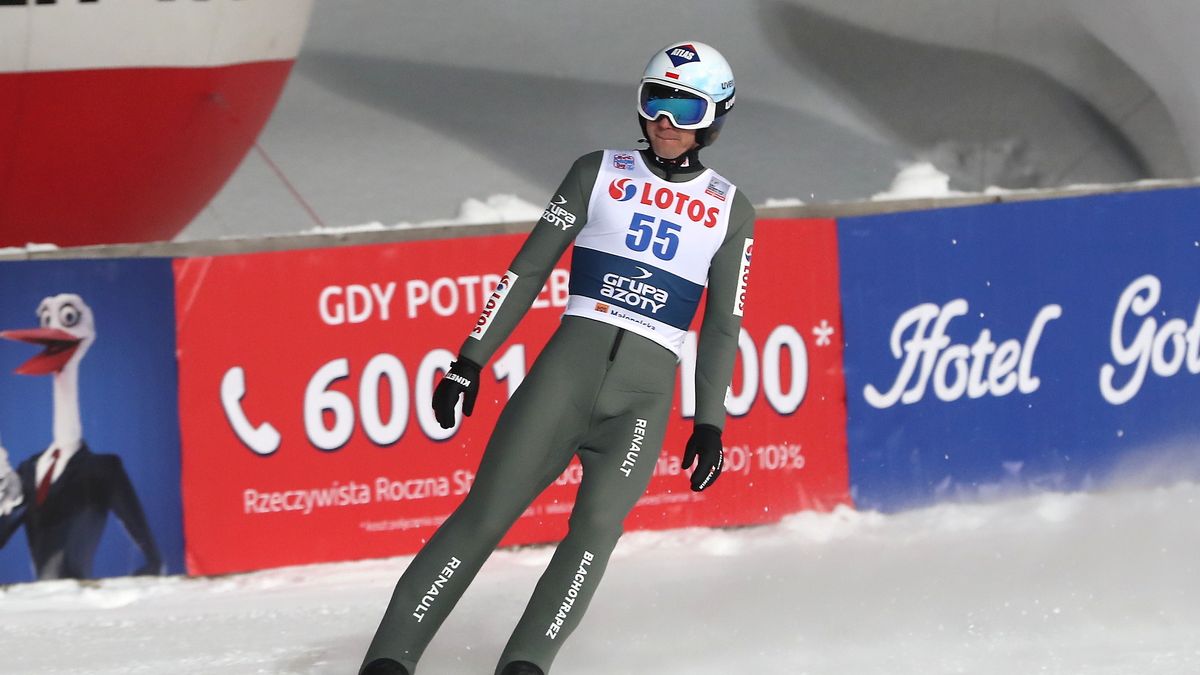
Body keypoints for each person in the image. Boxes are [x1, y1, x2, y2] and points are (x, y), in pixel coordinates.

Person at [361, 40, 755, 675]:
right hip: (562, 381)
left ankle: (525, 666)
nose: (667, 122)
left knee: (594, 535)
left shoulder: (731, 209)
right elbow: (528, 269)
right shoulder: (596, 171)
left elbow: (723, 324)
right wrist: (470, 360)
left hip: (641, 404)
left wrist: (709, 421)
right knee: (485, 515)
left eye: (686, 109)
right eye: (657, 102)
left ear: (714, 119)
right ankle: (387, 663)